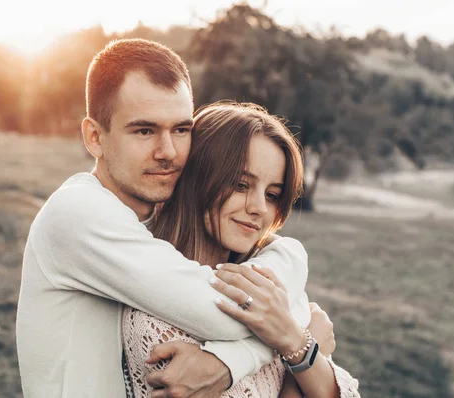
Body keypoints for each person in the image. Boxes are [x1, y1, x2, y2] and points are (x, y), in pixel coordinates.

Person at [16, 38, 338, 398]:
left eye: (181, 130)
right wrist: (293, 331)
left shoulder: (152, 226)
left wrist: (291, 258)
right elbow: (222, 313)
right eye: (144, 130)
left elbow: (275, 258)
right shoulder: (78, 213)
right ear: (95, 137)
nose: (168, 152)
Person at [122, 102, 359, 397]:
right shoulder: (155, 319)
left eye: (272, 195)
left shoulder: (268, 286)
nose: (259, 208)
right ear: (196, 176)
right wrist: (301, 351)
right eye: (240, 185)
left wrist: (296, 344)